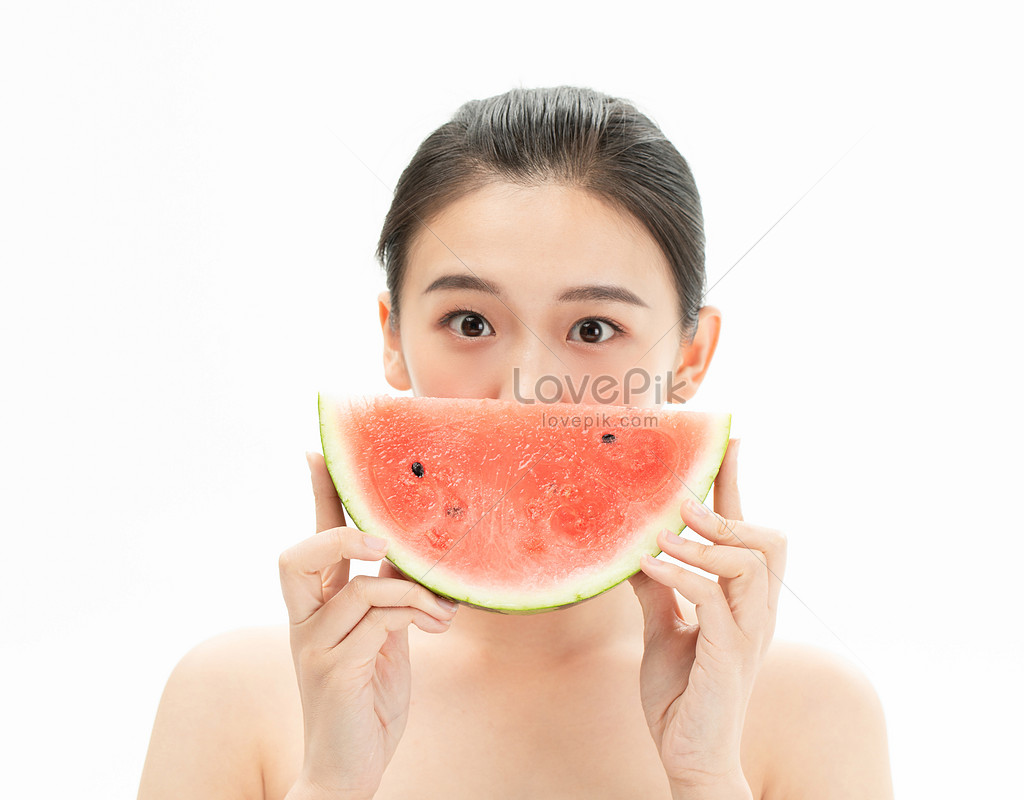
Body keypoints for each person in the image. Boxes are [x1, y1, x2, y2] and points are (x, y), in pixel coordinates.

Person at [137, 85, 893, 799]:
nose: (527, 387)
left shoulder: (809, 713)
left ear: (691, 357)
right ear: (393, 338)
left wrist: (705, 775)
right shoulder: (231, 700)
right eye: (470, 323)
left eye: (594, 329)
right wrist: (332, 779)